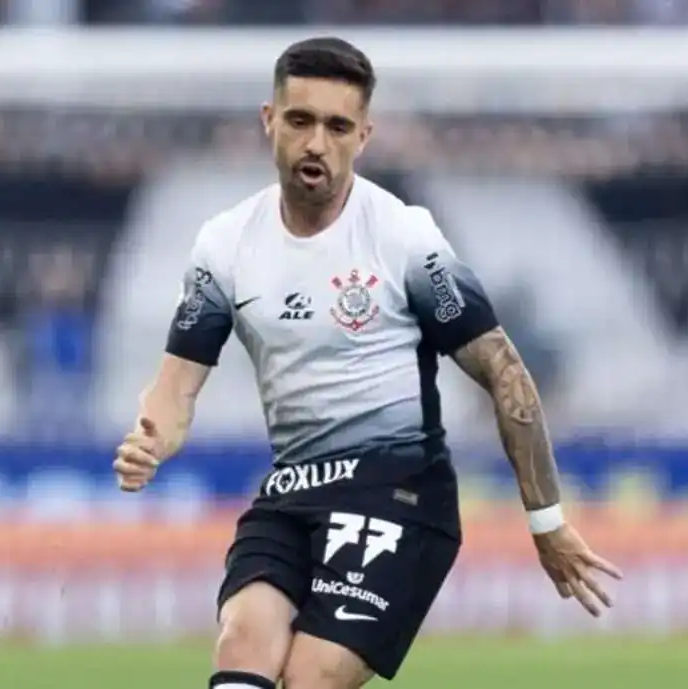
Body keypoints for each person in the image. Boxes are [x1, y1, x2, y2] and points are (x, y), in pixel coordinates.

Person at [111, 37, 621, 689]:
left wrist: (546, 520)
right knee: (241, 643)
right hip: (293, 489)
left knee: (311, 676)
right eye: (300, 120)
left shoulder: (403, 237)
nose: (316, 143)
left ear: (364, 136)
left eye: (337, 126)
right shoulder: (224, 244)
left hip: (399, 493)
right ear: (269, 121)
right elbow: (176, 387)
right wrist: (152, 438)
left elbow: (505, 372)